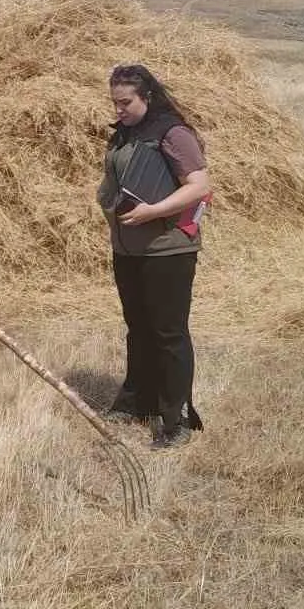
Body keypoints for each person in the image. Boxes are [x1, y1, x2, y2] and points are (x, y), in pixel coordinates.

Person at [96, 64, 212, 449]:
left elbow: (199, 186)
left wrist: (154, 211)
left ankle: (175, 417)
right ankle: (136, 403)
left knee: (168, 333)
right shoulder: (126, 134)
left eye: (125, 102)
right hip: (128, 249)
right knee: (139, 328)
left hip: (168, 251)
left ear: (146, 97)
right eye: (115, 103)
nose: (119, 110)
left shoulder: (173, 133)